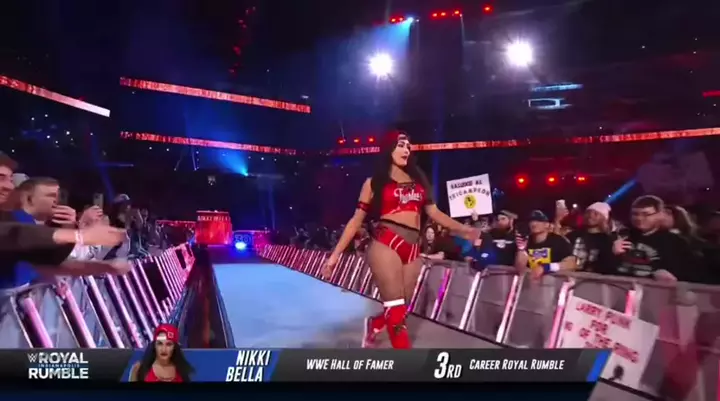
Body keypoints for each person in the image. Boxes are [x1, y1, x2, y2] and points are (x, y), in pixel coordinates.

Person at [321, 131, 478, 349]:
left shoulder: (419, 180)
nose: (406, 150)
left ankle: (375, 324)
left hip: (413, 247)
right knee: (395, 309)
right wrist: (334, 256)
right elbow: (356, 220)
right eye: (401, 145)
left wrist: (464, 230)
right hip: (386, 243)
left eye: (408, 146)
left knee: (401, 308)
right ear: (389, 149)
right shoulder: (374, 182)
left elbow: (434, 213)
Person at [611, 195, 691, 282]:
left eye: (646, 214)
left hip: (655, 289)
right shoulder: (621, 236)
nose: (639, 218)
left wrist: (670, 277)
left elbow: (686, 276)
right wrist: (612, 254)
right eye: (635, 214)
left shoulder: (674, 242)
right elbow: (606, 271)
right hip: (619, 286)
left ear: (660, 215)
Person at [515, 210, 576, 279]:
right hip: (530, 282)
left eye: (539, 220)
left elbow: (571, 263)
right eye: (531, 221)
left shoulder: (559, 241)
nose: (533, 224)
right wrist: (521, 249)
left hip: (553, 283)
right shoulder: (526, 240)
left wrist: (547, 267)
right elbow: (519, 268)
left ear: (547, 224)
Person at [129, 324, 194, 382]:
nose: (164, 349)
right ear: (154, 345)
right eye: (160, 344)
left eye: (168, 344)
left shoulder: (182, 371)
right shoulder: (139, 369)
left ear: (175, 347)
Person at [566, 202, 615, 273]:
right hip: (569, 274)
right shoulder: (573, 235)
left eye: (596, 214)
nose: (590, 216)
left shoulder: (607, 240)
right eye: (588, 213)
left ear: (604, 218)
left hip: (593, 277)